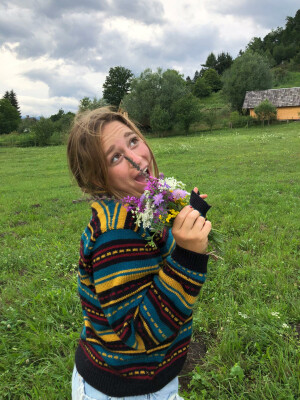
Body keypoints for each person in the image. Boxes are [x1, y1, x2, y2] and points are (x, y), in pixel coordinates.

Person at [67, 107, 212, 400]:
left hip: (152, 377)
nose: (136, 159)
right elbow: (140, 331)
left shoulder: (141, 207)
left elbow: (156, 254)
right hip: (122, 389)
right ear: (97, 178)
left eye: (132, 141)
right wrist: (187, 256)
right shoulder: (116, 235)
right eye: (115, 157)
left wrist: (184, 216)